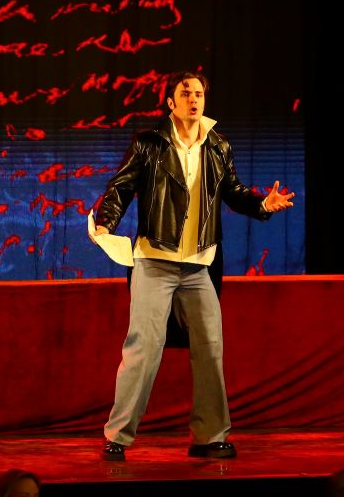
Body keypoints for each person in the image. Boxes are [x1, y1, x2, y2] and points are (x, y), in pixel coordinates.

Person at [92, 70, 295, 461]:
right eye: (185, 93)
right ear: (171, 103)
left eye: (198, 93)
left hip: (199, 265)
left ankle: (209, 436)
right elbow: (121, 187)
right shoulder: (149, 143)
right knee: (143, 348)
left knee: (210, 346)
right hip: (155, 260)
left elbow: (232, 191)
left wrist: (262, 204)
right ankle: (117, 435)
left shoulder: (217, 145)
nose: (193, 99)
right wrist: (106, 222)